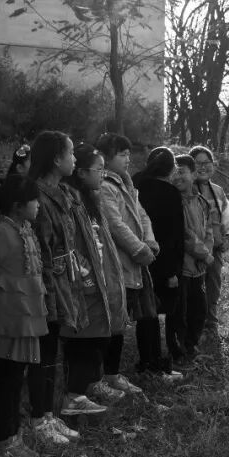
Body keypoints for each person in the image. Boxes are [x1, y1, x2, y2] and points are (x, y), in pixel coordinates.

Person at [0, 173, 48, 457]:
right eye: (34, 200)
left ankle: (12, 435)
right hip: (9, 321)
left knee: (17, 378)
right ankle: (3, 439)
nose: (38, 205)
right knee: (8, 380)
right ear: (18, 205)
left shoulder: (25, 229)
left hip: (25, 318)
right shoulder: (2, 234)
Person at [27, 131, 92, 440]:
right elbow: (40, 248)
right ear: (56, 159)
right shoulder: (37, 195)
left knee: (53, 351)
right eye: (71, 153)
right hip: (46, 284)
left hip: (64, 280)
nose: (75, 159)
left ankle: (49, 414)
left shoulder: (64, 193)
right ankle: (38, 419)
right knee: (43, 352)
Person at [61, 143, 128, 409]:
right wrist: (86, 275)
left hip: (99, 279)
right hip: (83, 280)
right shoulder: (70, 201)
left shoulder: (90, 199)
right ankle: (73, 395)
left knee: (99, 338)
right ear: (80, 172)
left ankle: (87, 388)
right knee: (83, 341)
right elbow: (72, 245)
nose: (102, 174)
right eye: (98, 169)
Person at [97, 132, 156, 395]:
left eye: (128, 154)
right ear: (107, 158)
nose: (128, 159)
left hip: (132, 264)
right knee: (112, 321)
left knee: (120, 323)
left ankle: (112, 374)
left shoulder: (126, 182)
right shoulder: (105, 186)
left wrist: (150, 241)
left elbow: (142, 214)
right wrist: (139, 249)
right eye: (122, 154)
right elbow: (115, 224)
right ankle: (103, 376)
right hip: (116, 264)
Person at [131, 148, 184, 382]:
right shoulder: (170, 193)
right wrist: (172, 271)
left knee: (145, 313)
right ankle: (155, 364)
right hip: (163, 261)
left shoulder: (136, 184)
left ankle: (147, 360)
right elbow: (174, 236)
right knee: (160, 314)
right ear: (171, 169)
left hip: (137, 256)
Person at [189, 146, 229, 339]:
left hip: (215, 251)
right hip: (192, 252)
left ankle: (211, 322)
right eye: (197, 164)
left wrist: (228, 238)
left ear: (213, 165)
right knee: (194, 288)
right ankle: (194, 325)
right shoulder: (185, 189)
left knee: (213, 286)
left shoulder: (218, 191)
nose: (202, 167)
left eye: (206, 163)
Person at [170, 154, 214, 365]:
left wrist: (207, 252)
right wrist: (204, 254)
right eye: (174, 173)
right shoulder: (174, 202)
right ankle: (179, 351)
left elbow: (209, 231)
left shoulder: (202, 201)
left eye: (181, 172)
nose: (177, 177)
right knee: (181, 312)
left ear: (194, 174)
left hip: (199, 268)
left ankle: (191, 345)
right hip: (183, 268)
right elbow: (184, 235)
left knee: (199, 310)